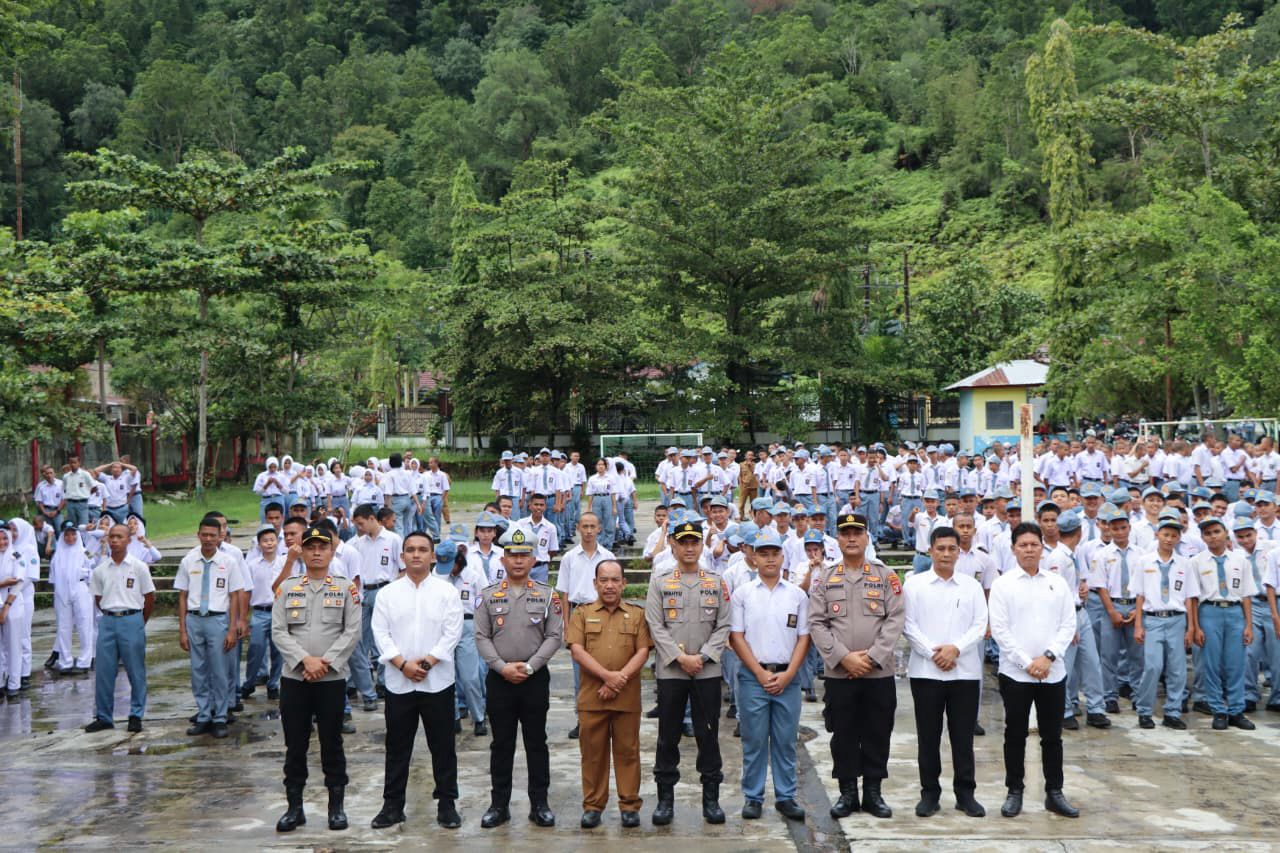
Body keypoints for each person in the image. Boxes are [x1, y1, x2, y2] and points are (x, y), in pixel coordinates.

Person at [808, 513, 904, 819]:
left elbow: (895, 619)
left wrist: (872, 657)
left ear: (867, 537)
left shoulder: (885, 575)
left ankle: (873, 793)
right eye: (845, 532)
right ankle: (847, 793)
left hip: (878, 672)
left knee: (878, 731)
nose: (851, 538)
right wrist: (844, 657)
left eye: (857, 532)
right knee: (844, 733)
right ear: (837, 538)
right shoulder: (825, 577)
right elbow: (817, 623)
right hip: (840, 673)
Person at [370, 531, 465, 830]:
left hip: (437, 682)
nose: (416, 555)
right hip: (400, 684)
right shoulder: (388, 593)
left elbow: (453, 633)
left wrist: (424, 663)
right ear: (402, 556)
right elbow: (380, 633)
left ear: (433, 556)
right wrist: (402, 664)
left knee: (443, 746)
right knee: (397, 747)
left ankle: (447, 804)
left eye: (422, 550)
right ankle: (392, 805)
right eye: (410, 549)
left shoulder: (446, 592)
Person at [271, 524, 363, 833]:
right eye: (310, 547)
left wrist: (326, 662)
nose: (316, 552)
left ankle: (335, 807)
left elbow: (352, 631)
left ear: (331, 550)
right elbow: (279, 631)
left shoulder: (345, 587)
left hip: (331, 679)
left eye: (322, 547)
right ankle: (294, 808)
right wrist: (303, 661)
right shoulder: (287, 588)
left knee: (331, 743)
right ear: (302, 551)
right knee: (295, 745)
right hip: (295, 679)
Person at [474, 526, 565, 829]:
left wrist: (530, 666)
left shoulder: (546, 595)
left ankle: (539, 804)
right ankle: (499, 805)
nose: (517, 561)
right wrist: (501, 667)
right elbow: (482, 637)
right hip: (500, 679)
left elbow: (554, 636)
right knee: (501, 744)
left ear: (534, 558)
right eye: (512, 555)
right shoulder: (488, 596)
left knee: (536, 742)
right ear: (503, 559)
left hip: (534, 678)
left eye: (524, 555)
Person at [644, 517, 732, 826]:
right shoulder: (661, 580)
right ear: (674, 544)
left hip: (706, 673)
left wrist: (704, 656)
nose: (690, 547)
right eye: (684, 542)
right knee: (668, 737)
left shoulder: (715, 580)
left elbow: (724, 625)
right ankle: (666, 800)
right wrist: (681, 659)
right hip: (672, 673)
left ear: (701, 544)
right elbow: (655, 625)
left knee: (708, 736)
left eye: (695, 542)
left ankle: (711, 799)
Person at [988, 522, 1079, 819]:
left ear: (1042, 547)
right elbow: (1000, 630)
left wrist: (1048, 657)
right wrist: (1028, 663)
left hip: (1052, 672)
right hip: (1016, 674)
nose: (1029, 549)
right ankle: (1015, 791)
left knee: (1052, 736)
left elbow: (1068, 624)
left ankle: (1055, 792)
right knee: (1015, 733)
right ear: (1013, 549)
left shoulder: (1057, 582)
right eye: (1023, 545)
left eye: (1034, 544)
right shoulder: (1003, 585)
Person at [903, 526, 988, 818]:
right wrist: (934, 653)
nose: (946, 554)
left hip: (964, 672)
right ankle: (930, 794)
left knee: (962, 737)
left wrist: (956, 649)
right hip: (926, 672)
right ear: (931, 551)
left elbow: (980, 625)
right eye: (941, 548)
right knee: (928, 736)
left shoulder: (971, 586)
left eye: (952, 549)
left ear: (958, 551)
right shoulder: (914, 585)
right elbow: (908, 626)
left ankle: (966, 794)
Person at [729, 528, 810, 822]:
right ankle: (753, 796)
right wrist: (760, 673)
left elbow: (804, 638)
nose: (770, 559)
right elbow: (737, 637)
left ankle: (786, 796)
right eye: (763, 553)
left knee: (786, 739)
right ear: (753, 557)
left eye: (775, 553)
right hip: (754, 677)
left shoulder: (797, 595)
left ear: (782, 556)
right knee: (753, 738)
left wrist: (789, 674)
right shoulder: (743, 594)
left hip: (787, 677)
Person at [566, 558, 652, 829]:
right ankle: (593, 806)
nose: (610, 585)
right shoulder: (581, 613)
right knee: (593, 754)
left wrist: (618, 680)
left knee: (628, 752)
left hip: (626, 698)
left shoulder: (637, 614)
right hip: (593, 698)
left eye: (615, 580)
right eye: (604, 580)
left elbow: (643, 651)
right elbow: (577, 650)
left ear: (624, 583)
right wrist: (608, 677)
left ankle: (629, 805)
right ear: (595, 583)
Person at [175, 517, 247, 738]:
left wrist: (232, 628)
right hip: (195, 619)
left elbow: (235, 596)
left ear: (220, 537)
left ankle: (220, 716)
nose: (208, 539)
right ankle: (204, 714)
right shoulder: (189, 560)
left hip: (218, 620)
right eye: (204, 534)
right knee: (198, 670)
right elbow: (183, 596)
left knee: (219, 670)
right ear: (198, 535)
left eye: (212, 535)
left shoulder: (229, 561)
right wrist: (183, 630)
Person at [84, 523, 156, 733]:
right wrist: (110, 614)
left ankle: (135, 714)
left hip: (132, 619)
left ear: (128, 540)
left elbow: (149, 597)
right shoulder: (100, 570)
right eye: (112, 537)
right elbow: (98, 598)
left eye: (119, 537)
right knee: (105, 671)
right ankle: (104, 716)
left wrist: (139, 621)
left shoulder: (138, 566)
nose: (114, 540)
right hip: (108, 620)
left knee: (136, 670)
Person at [1131, 516, 1198, 729]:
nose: (1169, 539)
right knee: (1153, 666)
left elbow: (1189, 597)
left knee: (1177, 669)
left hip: (1176, 620)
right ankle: (1144, 710)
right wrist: (1138, 625)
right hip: (1153, 620)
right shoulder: (1145, 562)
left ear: (1179, 538)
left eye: (1174, 535)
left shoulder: (1185, 564)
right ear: (1157, 535)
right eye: (1165, 534)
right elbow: (1140, 596)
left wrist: (1191, 627)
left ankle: (1173, 711)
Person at [1191, 515, 1257, 730]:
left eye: (1216, 531)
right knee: (1211, 664)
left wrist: (1248, 624)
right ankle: (1218, 709)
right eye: (1208, 533)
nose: (1213, 537)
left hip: (1235, 612)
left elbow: (1246, 595)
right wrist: (1196, 626)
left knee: (1236, 663)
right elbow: (1192, 597)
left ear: (1226, 533)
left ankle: (1236, 710)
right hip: (1209, 611)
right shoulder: (1196, 562)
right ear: (1202, 537)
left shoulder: (1240, 560)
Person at [556, 512, 616, 739]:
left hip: (603, 611)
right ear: (578, 528)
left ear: (599, 528)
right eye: (585, 526)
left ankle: (606, 719)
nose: (589, 530)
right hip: (578, 612)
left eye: (593, 526)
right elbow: (564, 594)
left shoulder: (607, 556)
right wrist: (566, 626)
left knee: (605, 668)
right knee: (579, 673)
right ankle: (582, 720)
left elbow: (615, 589)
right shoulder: (569, 558)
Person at [48, 522, 95, 675]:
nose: (70, 537)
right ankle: (65, 661)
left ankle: (84, 661)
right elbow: (54, 578)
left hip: (81, 590)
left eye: (73, 534)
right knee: (63, 627)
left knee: (84, 625)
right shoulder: (58, 555)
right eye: (67, 534)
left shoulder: (84, 552)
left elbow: (93, 572)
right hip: (62, 592)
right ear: (62, 536)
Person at [244, 526, 284, 701]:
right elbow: (246, 592)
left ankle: (274, 684)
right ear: (259, 544)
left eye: (272, 540)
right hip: (260, 612)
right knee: (256, 648)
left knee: (279, 651)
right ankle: (249, 682)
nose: (269, 543)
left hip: (279, 612)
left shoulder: (284, 563)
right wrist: (243, 617)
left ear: (277, 542)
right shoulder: (252, 565)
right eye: (265, 541)